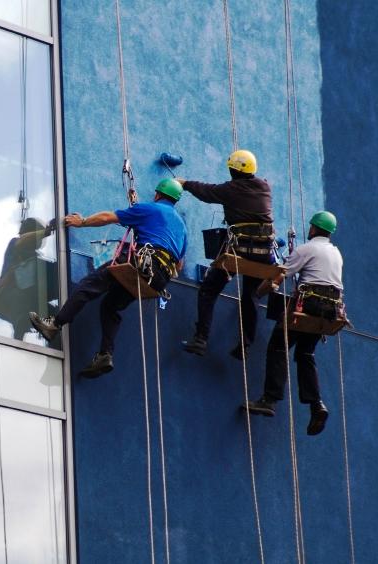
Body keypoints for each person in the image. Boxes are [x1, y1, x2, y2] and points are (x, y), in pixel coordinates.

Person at [29, 179, 187, 377]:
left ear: (157, 194)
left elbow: (107, 217)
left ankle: (55, 324)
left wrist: (82, 221)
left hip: (144, 263)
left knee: (88, 285)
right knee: (110, 306)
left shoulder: (150, 209)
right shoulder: (182, 226)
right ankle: (105, 354)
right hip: (159, 279)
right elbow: (180, 264)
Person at [243, 211, 344, 436]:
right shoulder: (336, 253)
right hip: (329, 310)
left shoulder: (307, 249)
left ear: (313, 229)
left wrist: (259, 292)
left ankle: (269, 399)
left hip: (309, 305)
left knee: (278, 346)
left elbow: (281, 275)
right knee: (305, 354)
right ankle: (316, 404)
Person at [177, 149, 275, 359]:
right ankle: (245, 345)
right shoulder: (264, 187)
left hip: (239, 251)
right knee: (250, 297)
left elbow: (207, 191)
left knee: (209, 290)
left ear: (234, 170)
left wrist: (184, 183)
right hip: (264, 253)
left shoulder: (232, 189)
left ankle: (201, 339)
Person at [0, 217, 57, 340]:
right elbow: (23, 240)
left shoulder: (34, 257)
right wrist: (46, 232)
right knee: (22, 316)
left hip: (27, 302)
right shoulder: (15, 244)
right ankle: (19, 341)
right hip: (10, 298)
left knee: (55, 319)